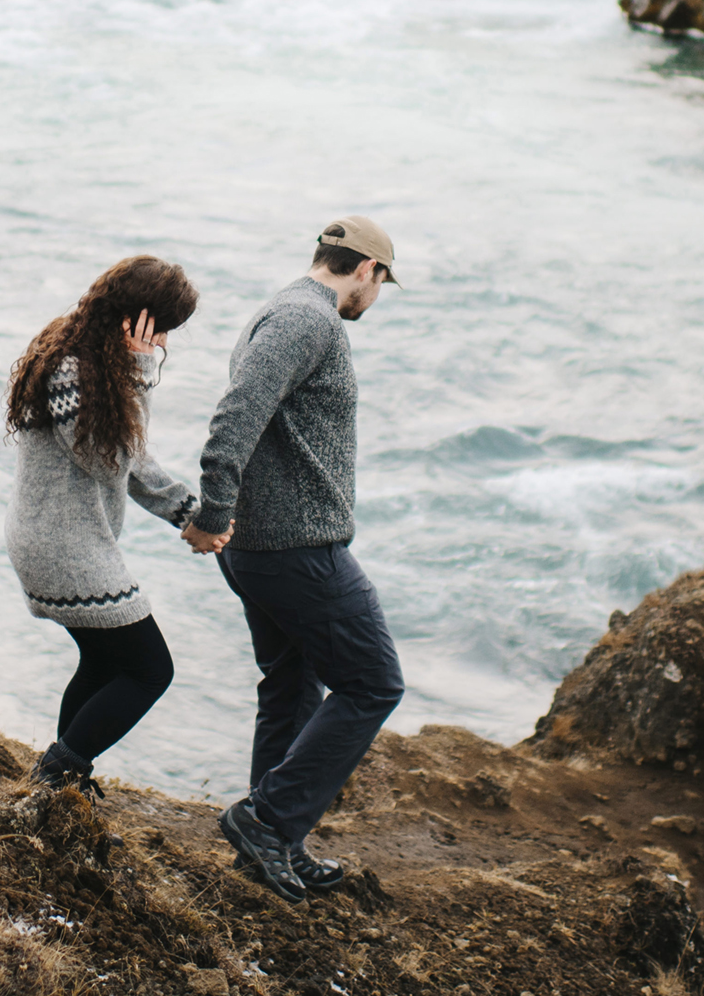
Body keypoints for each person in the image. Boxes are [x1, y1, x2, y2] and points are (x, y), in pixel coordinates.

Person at [182, 215, 405, 901]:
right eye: (383, 282)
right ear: (365, 268)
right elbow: (235, 413)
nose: (377, 296)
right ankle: (267, 820)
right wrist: (213, 508)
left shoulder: (280, 310)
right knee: (373, 682)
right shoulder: (308, 320)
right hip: (293, 547)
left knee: (291, 685)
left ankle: (275, 841)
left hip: (266, 544)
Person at [5, 255, 219, 795]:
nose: (164, 343)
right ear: (136, 321)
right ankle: (58, 772)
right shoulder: (73, 369)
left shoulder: (87, 357)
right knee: (150, 670)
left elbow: (132, 460)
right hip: (61, 546)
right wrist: (140, 375)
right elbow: (109, 461)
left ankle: (63, 787)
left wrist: (190, 515)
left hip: (64, 540)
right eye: (162, 329)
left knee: (103, 663)